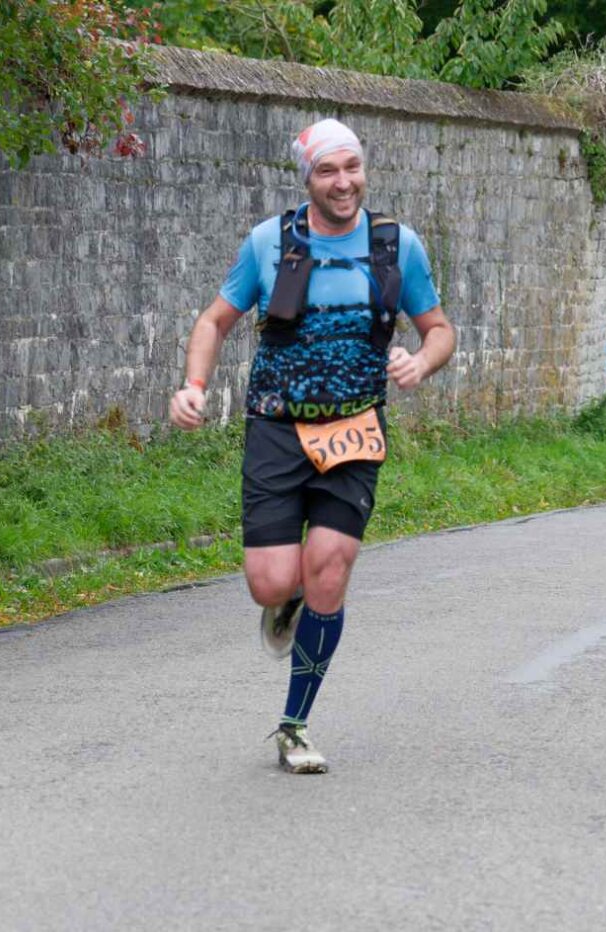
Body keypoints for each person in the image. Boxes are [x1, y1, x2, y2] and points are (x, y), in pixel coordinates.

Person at [168, 118, 455, 774]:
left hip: (354, 429)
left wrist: (421, 360)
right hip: (277, 428)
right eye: (328, 171)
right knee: (271, 582)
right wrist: (193, 386)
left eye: (352, 167)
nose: (343, 182)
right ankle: (289, 598)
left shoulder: (395, 245)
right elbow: (214, 321)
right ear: (308, 180)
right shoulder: (269, 242)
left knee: (331, 565)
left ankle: (295, 724)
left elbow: (439, 328)